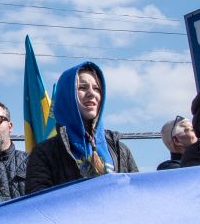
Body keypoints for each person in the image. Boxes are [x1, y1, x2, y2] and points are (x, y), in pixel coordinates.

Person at [25, 61, 138, 193]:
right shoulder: (44, 153)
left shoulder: (120, 150)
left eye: (97, 89)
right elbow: (39, 205)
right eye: (82, 88)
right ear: (66, 96)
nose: (92, 94)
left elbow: (136, 195)